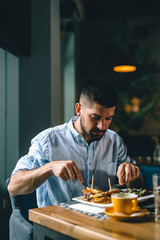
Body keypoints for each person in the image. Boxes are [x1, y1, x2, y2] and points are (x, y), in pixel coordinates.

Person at [8, 79, 142, 208]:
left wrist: (132, 173)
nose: (102, 126)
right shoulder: (47, 141)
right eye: (95, 118)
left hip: (103, 221)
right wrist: (49, 168)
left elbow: (138, 187)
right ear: (78, 109)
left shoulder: (115, 141)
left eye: (108, 119)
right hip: (59, 224)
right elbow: (14, 187)